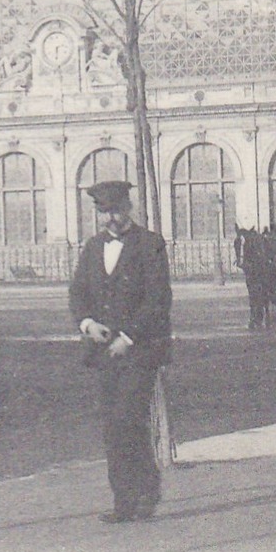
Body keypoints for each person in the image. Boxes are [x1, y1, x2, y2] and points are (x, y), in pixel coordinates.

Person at [68, 180, 173, 524]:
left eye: (116, 211)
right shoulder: (93, 247)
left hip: (140, 350)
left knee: (129, 419)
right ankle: (124, 501)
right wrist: (87, 324)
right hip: (103, 353)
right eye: (103, 213)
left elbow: (158, 300)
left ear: (128, 208)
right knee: (113, 426)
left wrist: (127, 337)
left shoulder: (150, 245)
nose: (110, 219)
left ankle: (146, 490)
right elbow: (78, 293)